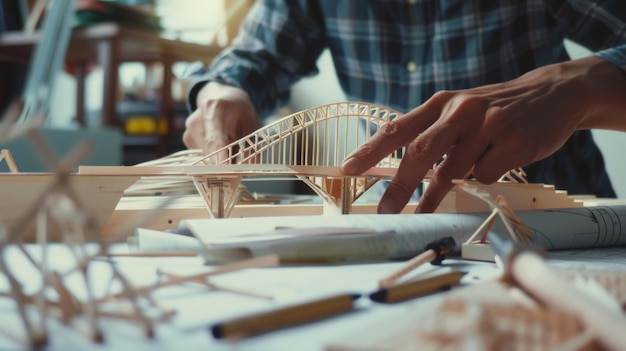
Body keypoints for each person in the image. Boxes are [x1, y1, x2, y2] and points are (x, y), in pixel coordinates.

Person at [183, 0, 626, 213]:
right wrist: (221, 92)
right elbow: (251, 60)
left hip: (561, 225)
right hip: (396, 225)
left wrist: (580, 85)